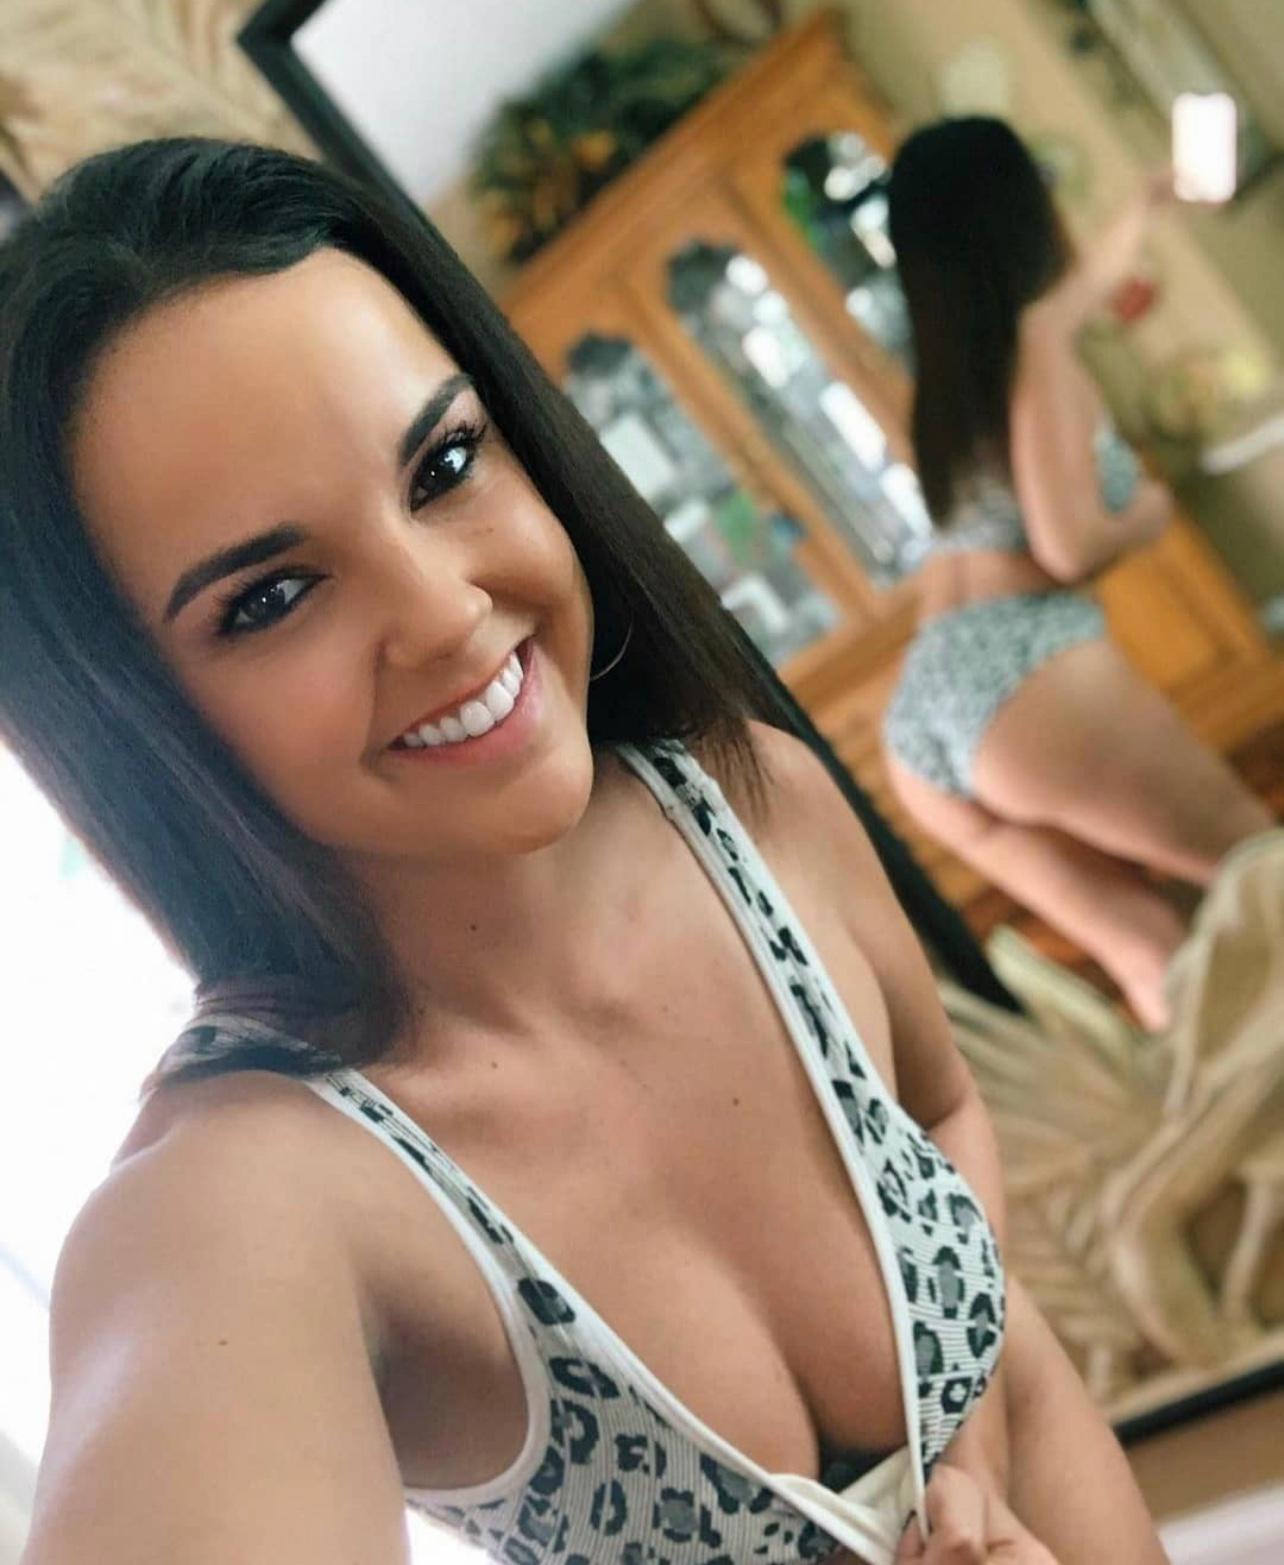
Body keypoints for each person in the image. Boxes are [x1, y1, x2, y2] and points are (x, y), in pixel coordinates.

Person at [4, 137, 1167, 1565]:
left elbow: (940, 1110)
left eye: (444, 464)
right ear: (134, 724)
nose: (446, 609)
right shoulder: (242, 1199)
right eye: (272, 596)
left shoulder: (760, 800)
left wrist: (969, 1463)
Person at [882, 117, 1274, 1033]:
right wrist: (1148, 512)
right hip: (1020, 668)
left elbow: (1088, 287)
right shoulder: (1037, 344)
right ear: (1022, 211)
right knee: (1258, 867)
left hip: (926, 712)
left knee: (1153, 950)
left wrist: (1147, 202)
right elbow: (1068, 547)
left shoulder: (951, 382)